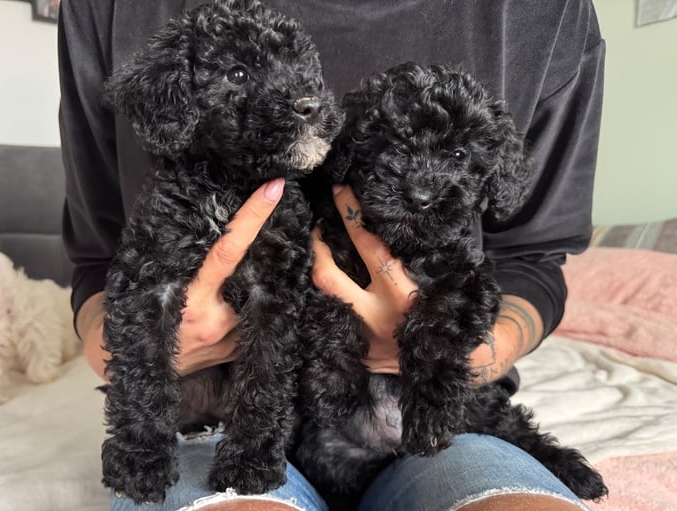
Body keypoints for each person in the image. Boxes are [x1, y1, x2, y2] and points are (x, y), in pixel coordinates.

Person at [58, 1, 605, 510]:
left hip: (443, 416)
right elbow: (97, 258)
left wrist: (465, 355)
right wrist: (140, 354)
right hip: (211, 421)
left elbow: (533, 254)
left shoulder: (549, 12)